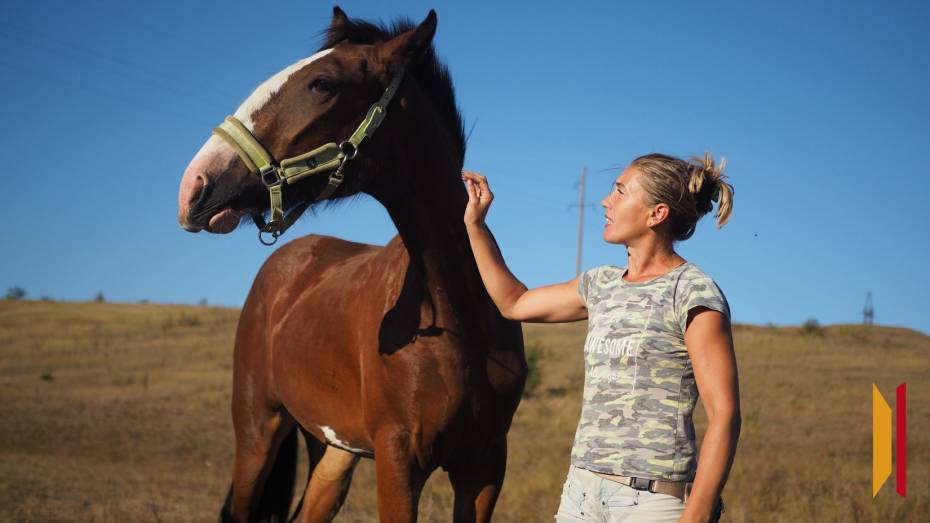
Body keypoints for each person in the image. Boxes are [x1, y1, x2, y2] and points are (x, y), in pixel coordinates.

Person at [461, 152, 740, 523]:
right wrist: (476, 227)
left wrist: (699, 513)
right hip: (581, 494)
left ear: (656, 213)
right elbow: (513, 303)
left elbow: (724, 413)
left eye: (620, 192)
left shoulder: (692, 293)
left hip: (651, 502)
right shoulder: (601, 284)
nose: (606, 201)